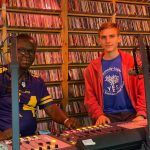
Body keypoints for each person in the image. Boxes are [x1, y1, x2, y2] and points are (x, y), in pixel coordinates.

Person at [0, 34, 80, 141]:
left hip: (30, 140)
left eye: (31, 52)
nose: (27, 55)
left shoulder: (37, 81)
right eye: (22, 50)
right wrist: (1, 135)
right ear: (11, 52)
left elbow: (51, 108)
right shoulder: (1, 76)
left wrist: (66, 121)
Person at [84, 22, 146, 126]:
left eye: (111, 36)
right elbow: (90, 98)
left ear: (119, 39)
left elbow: (144, 91)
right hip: (106, 116)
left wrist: (141, 114)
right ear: (99, 40)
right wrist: (99, 115)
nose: (108, 41)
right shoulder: (92, 68)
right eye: (104, 37)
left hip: (133, 114)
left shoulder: (133, 62)